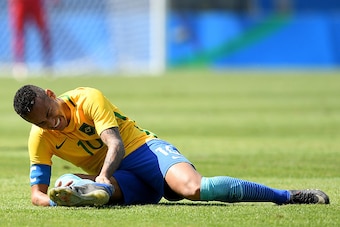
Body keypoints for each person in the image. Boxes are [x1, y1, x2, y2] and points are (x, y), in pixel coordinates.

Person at [13, 85, 330, 207]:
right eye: (42, 123)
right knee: (85, 191)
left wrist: (102, 177)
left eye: (51, 116)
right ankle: (85, 192)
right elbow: (36, 195)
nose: (52, 125)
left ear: (52, 95)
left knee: (193, 189)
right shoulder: (39, 138)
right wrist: (57, 201)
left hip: (143, 151)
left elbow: (116, 144)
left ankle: (286, 196)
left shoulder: (87, 98)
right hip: (120, 183)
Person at [8, 0, 53, 78]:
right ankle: (19, 64)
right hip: (20, 3)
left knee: (44, 32)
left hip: (35, 2)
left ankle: (48, 62)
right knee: (19, 33)